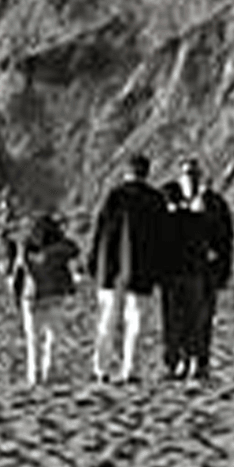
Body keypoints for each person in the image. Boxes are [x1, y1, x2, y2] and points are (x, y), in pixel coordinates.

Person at [88, 154, 169, 384]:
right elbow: (164, 239)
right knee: (136, 323)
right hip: (142, 270)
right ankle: (130, 370)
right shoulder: (155, 199)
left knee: (107, 321)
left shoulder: (114, 196)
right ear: (147, 172)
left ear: (127, 172)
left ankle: (101, 369)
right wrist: (160, 271)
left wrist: (94, 262)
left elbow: (100, 232)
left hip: (111, 269)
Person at [162, 159, 234, 380]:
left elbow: (225, 239)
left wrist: (223, 270)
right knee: (175, 321)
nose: (190, 178)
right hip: (174, 272)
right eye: (186, 174)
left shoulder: (214, 203)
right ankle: (178, 361)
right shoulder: (170, 200)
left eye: (193, 174)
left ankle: (200, 361)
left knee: (202, 319)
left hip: (205, 272)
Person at [8, 212, 82, 386]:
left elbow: (18, 273)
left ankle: (34, 375)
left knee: (32, 338)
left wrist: (16, 298)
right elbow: (75, 250)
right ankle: (49, 371)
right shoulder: (61, 248)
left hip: (31, 295)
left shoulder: (26, 247)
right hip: (55, 295)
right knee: (53, 336)